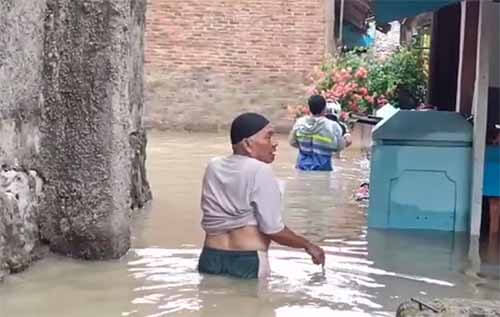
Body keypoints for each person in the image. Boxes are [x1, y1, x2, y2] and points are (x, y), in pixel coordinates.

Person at [198, 112, 325, 279]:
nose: (275, 144)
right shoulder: (260, 170)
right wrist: (308, 246)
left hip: (210, 258)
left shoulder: (213, 166)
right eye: (268, 137)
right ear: (247, 144)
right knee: (257, 304)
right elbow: (273, 229)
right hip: (247, 261)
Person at [289, 95, 347, 171]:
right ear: (324, 108)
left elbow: (292, 142)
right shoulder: (333, 126)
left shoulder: (299, 123)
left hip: (301, 168)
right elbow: (340, 147)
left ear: (309, 108)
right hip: (323, 170)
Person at [485, 125, 500, 238]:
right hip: (494, 189)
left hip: (488, 187)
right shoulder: (491, 151)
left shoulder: (485, 150)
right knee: (494, 207)